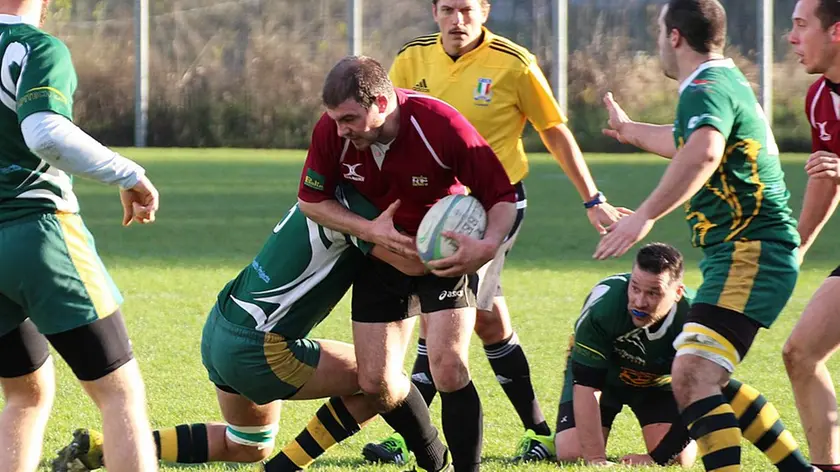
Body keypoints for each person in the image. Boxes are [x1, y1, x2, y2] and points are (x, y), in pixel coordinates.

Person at [363, 0, 622, 463]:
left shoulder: (515, 63)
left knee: (438, 311)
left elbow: (554, 130)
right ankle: (539, 431)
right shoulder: (411, 58)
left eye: (466, 9)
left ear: (485, 10)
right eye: (447, 9)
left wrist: (593, 198)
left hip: (490, 209)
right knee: (484, 320)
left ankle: (411, 435)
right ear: (435, 13)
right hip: (433, 206)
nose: (457, 20)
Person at [52, 185, 446, 472]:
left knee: (248, 444)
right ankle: (437, 462)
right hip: (261, 349)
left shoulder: (322, 195)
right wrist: (465, 249)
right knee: (378, 380)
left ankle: (108, 449)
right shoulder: (359, 210)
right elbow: (411, 264)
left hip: (221, 329)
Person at [597, 1, 803, 470]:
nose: (656, 42)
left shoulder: (704, 87)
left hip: (750, 251)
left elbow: (705, 152)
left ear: (673, 37)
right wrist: (630, 132)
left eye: (657, 31)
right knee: (704, 375)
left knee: (690, 373)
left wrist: (644, 215)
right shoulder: (720, 81)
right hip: (743, 253)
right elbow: (690, 142)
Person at [297, 55, 517, 472]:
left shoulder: (440, 124)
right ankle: (434, 460)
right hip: (380, 261)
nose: (341, 129)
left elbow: (502, 195)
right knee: (376, 383)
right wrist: (371, 232)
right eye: (335, 119)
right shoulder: (332, 130)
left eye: (350, 119)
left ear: (381, 102)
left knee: (449, 366)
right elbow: (311, 200)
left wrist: (487, 246)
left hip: (447, 259)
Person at [0, 1, 161, 471]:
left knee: (25, 392)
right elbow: (45, 133)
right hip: (37, 234)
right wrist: (128, 173)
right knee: (119, 392)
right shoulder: (35, 46)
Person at [520, 244, 810, 471]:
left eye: (653, 292)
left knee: (678, 460)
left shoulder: (697, 316)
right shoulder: (603, 306)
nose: (639, 301)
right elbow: (586, 384)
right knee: (573, 453)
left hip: (658, 385)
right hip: (603, 382)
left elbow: (707, 395)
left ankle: (794, 465)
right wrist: (596, 459)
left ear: (678, 292)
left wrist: (655, 457)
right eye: (635, 287)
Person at [784, 1, 840, 470]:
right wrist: (798, 247)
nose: (792, 37)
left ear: (837, 30)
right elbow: (826, 175)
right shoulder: (820, 98)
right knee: (800, 353)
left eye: (802, 25)